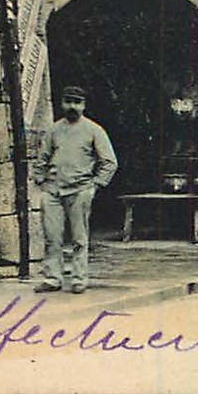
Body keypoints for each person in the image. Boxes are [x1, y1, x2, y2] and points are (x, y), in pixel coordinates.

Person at [32, 85, 117, 294]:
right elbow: (42, 158)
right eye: (68, 101)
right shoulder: (53, 130)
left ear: (84, 105)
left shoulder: (94, 130)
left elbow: (109, 162)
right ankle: (53, 278)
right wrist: (40, 180)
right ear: (62, 103)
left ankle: (79, 278)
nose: (72, 106)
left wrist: (95, 185)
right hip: (52, 190)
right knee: (52, 236)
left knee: (79, 238)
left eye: (77, 102)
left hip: (80, 190)